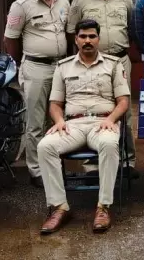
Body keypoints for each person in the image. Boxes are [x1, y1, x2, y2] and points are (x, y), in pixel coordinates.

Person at [37, 19, 130, 235]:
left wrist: (111, 119)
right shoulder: (63, 67)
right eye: (83, 36)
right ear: (76, 39)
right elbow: (55, 104)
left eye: (92, 36)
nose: (87, 40)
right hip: (73, 124)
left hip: (103, 122)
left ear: (98, 39)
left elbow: (123, 101)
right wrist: (59, 121)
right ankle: (59, 207)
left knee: (109, 144)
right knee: (45, 146)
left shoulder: (113, 64)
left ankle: (103, 207)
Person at [67, 0, 138, 178]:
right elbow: (72, 32)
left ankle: (127, 161)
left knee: (124, 112)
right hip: (91, 64)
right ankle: (92, 165)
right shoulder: (80, 1)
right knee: (92, 110)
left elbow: (132, 30)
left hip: (120, 61)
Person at [4, 0, 70, 188]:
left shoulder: (64, 3)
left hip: (60, 67)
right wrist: (19, 66)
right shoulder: (21, 5)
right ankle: (36, 169)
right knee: (35, 123)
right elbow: (10, 40)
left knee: (58, 118)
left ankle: (55, 162)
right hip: (36, 68)